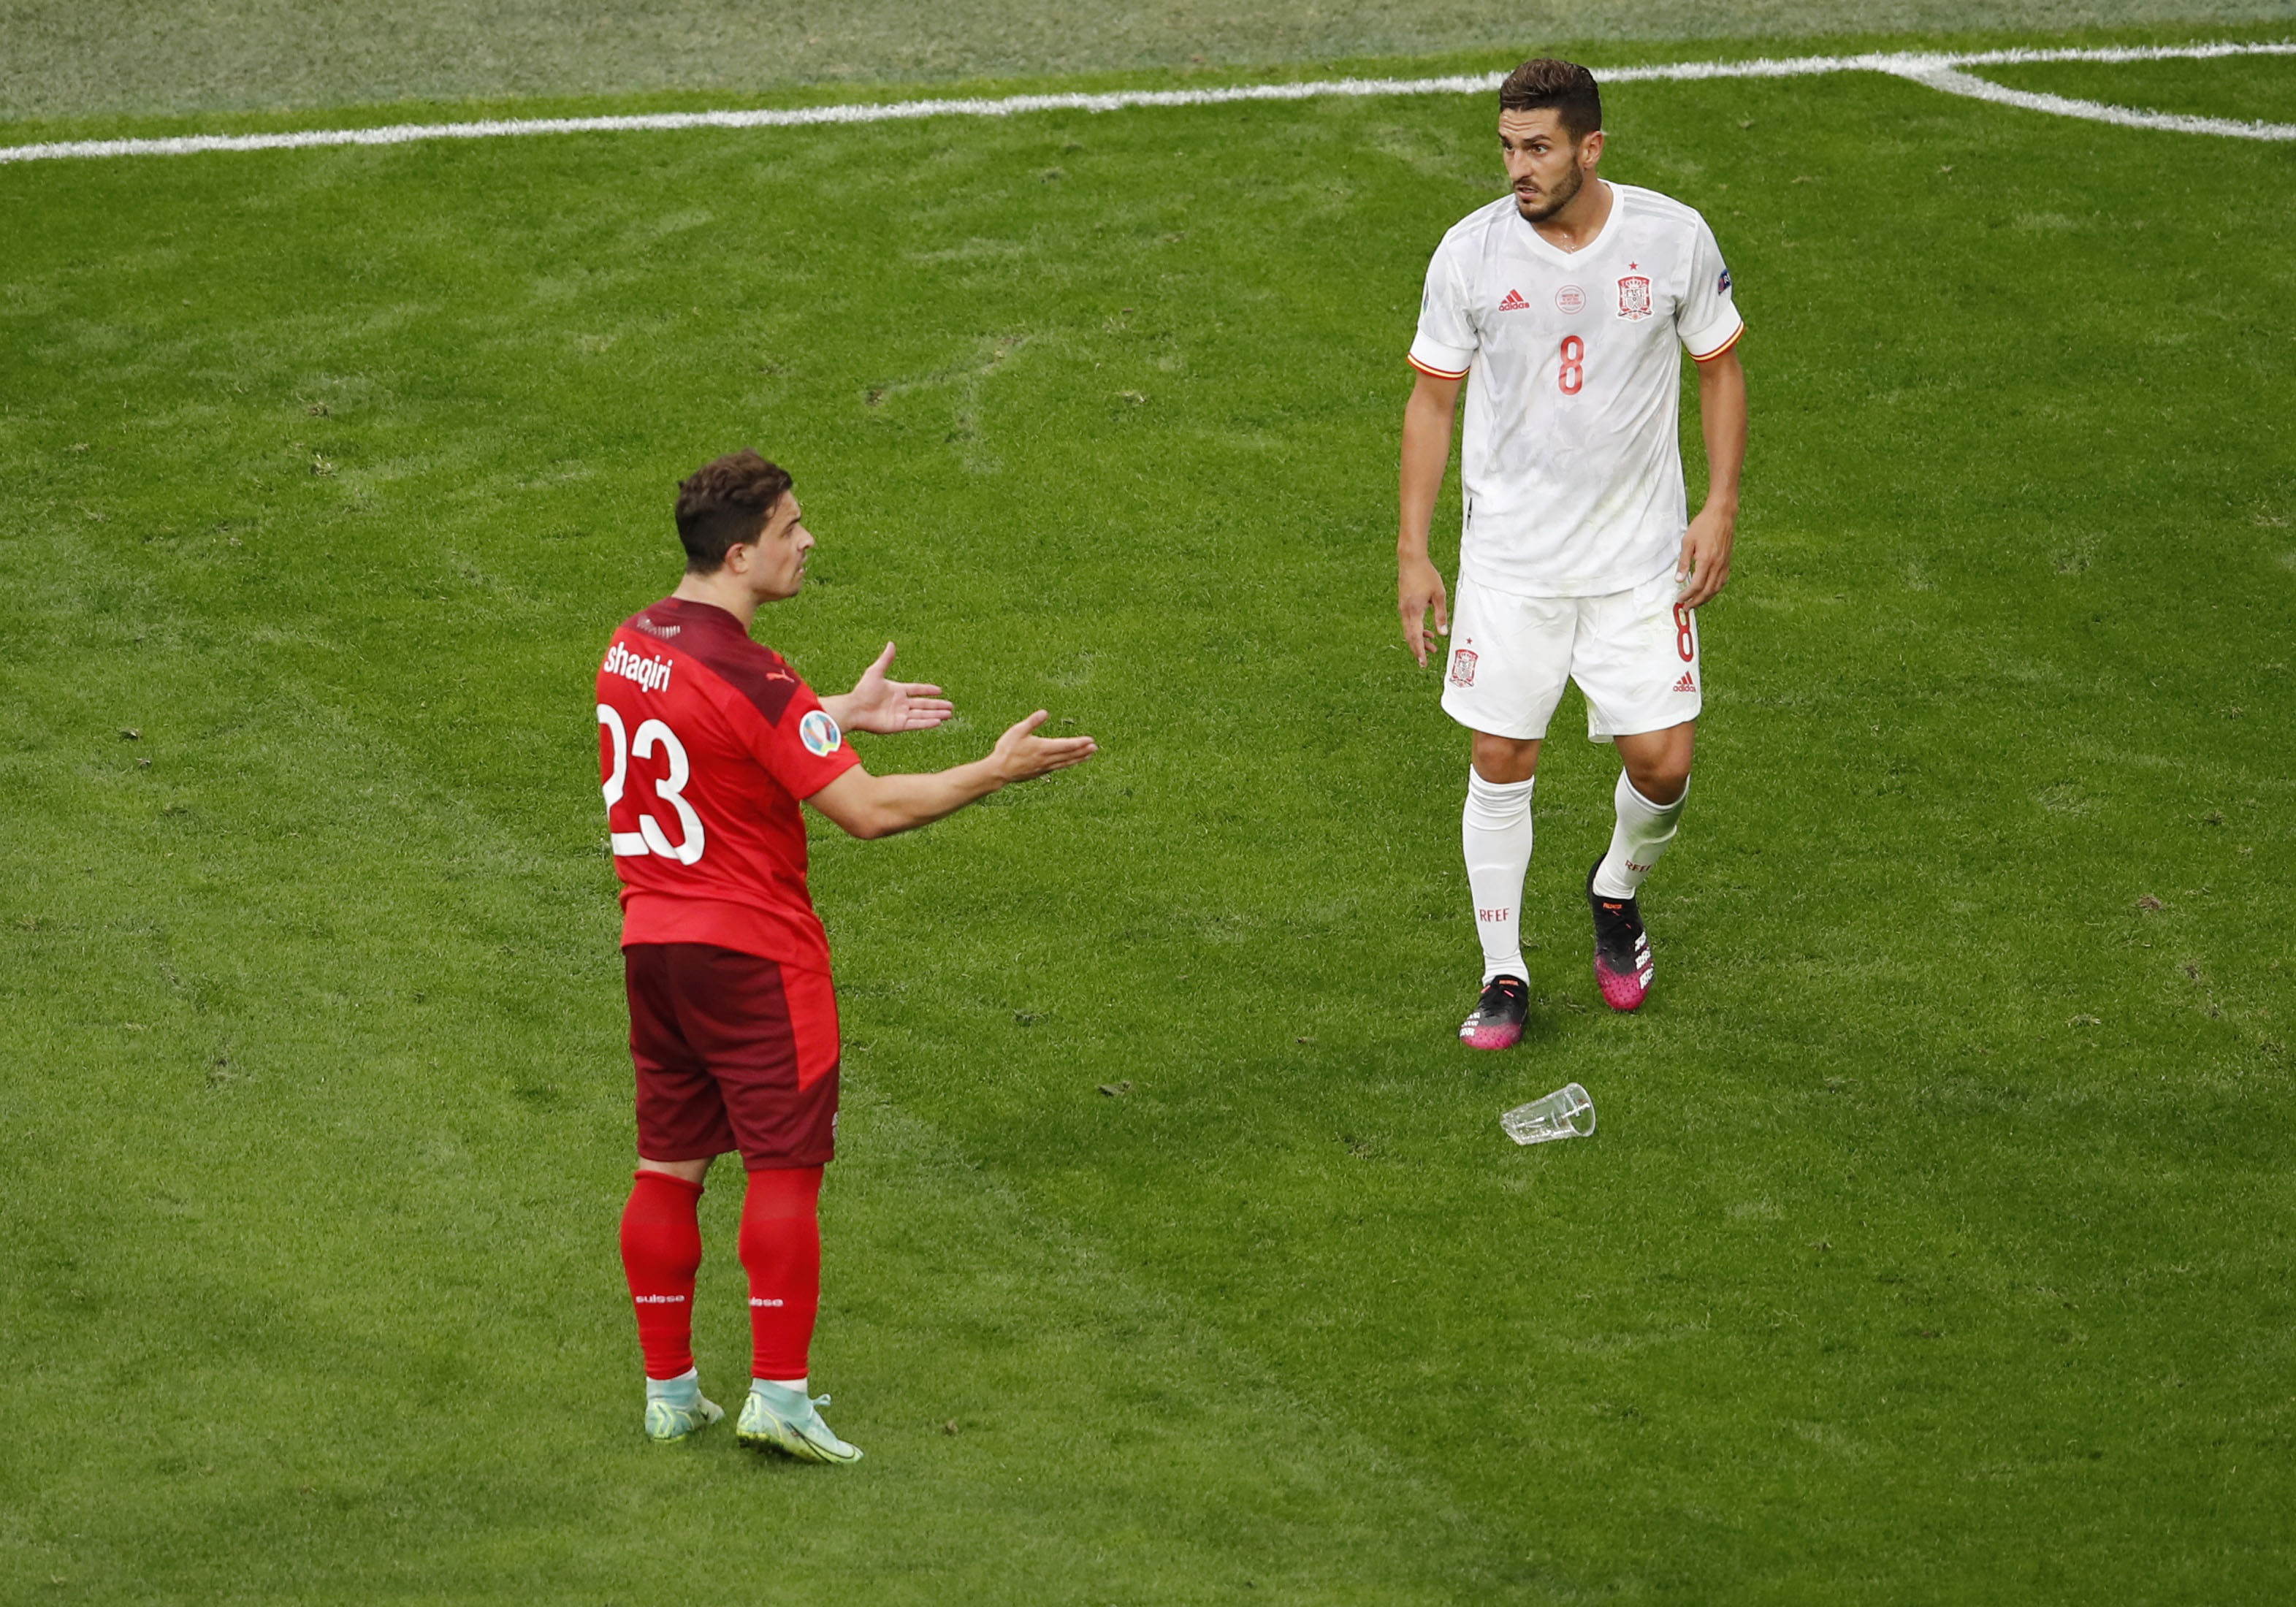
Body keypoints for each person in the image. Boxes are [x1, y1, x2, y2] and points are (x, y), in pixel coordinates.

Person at [598, 449, 1096, 1459]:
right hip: (756, 959)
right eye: (789, 528)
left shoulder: (633, 642)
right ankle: (779, 1399)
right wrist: (992, 771)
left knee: (668, 1167)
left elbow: (709, 728)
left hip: (654, 949)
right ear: (740, 556)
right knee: (785, 1168)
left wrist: (835, 715)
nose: (808, 540)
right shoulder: (758, 674)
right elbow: (866, 810)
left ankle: (670, 1394)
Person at [1396, 56, 1748, 1050]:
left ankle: (1615, 889)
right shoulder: (1469, 254)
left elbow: (1720, 370)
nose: (1518, 167)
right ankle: (1502, 972)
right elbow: (1432, 402)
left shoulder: (1672, 238)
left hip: (1640, 559)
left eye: (1539, 148)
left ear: (1590, 148)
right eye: (1508, 147)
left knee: (1664, 765)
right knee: (1501, 756)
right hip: (1512, 563)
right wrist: (1414, 551)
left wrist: (1720, 504)